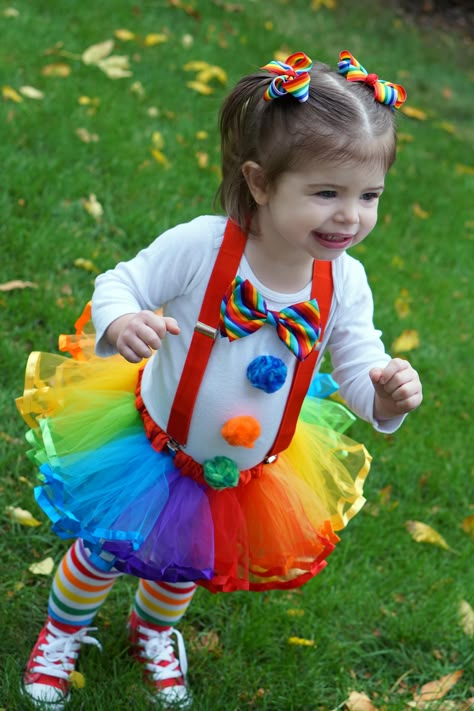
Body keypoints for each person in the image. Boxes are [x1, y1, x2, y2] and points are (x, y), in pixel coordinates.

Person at [17, 50, 422, 709]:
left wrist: (382, 390)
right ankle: (63, 629)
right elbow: (122, 282)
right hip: (154, 446)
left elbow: (356, 362)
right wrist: (122, 323)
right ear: (260, 183)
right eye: (327, 193)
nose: (350, 216)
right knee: (105, 548)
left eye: (368, 195)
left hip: (248, 467)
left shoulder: (345, 279)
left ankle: (151, 626)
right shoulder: (205, 246)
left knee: (187, 557)